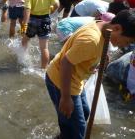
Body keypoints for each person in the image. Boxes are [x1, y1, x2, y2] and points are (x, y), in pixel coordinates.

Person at [45, 9, 135, 139]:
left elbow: (82, 54)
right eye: (126, 42)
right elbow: (66, 63)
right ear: (116, 28)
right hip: (61, 81)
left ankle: (64, 135)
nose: (123, 46)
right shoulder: (92, 40)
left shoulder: (103, 26)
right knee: (77, 130)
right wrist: (65, 98)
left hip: (75, 79)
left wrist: (98, 60)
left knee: (83, 114)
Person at [22, 0, 59, 68]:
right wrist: (50, 10)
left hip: (33, 20)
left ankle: (22, 59)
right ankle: (43, 69)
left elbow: (27, 10)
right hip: (45, 20)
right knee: (44, 48)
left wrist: (23, 26)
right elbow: (57, 4)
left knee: (25, 40)